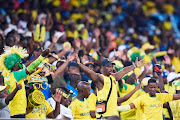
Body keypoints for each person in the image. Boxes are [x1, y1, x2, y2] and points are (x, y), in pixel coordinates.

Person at [75, 54, 144, 119]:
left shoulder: (113, 77)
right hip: (104, 116)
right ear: (102, 67)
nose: (110, 68)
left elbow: (124, 71)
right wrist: (79, 64)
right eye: (108, 66)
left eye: (111, 66)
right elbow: (89, 71)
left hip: (114, 115)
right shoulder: (100, 78)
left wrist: (134, 65)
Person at [0, 46, 50, 118]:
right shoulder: (16, 75)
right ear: (15, 65)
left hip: (11, 111)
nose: (21, 62)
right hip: (18, 111)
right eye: (19, 61)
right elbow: (30, 67)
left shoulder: (7, 76)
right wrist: (42, 56)